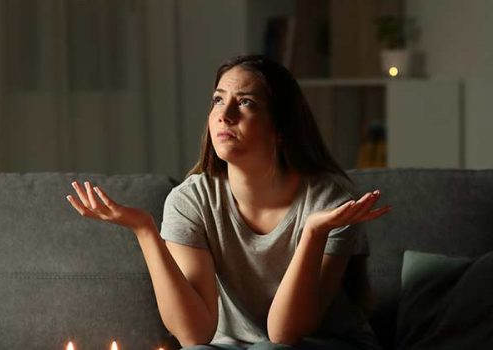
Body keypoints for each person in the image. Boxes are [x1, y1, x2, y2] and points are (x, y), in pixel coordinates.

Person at [66, 55, 391, 350]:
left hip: (325, 343)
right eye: (218, 100)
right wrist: (145, 231)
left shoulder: (328, 200)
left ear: (280, 127)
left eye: (246, 102)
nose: (225, 114)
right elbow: (194, 336)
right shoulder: (191, 200)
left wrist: (313, 234)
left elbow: (284, 334)